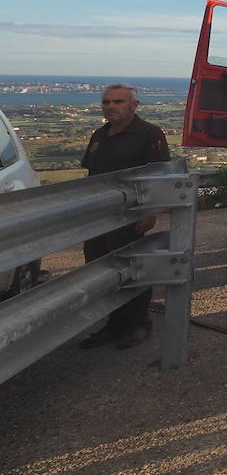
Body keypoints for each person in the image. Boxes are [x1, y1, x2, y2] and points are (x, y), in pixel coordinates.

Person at [77, 83, 170, 350]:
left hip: (130, 216)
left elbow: (159, 175)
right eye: (107, 102)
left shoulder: (149, 133)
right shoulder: (99, 135)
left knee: (133, 270)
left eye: (118, 102)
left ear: (134, 105)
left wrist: (150, 212)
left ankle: (138, 325)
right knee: (102, 272)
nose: (111, 107)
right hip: (100, 218)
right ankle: (114, 325)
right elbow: (91, 176)